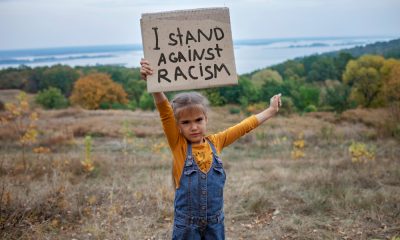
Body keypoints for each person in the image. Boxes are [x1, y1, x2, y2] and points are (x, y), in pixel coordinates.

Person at [140, 59, 281, 240]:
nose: (194, 127)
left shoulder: (217, 142)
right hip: (187, 226)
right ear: (178, 126)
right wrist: (154, 83)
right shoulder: (178, 145)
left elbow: (244, 126)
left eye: (198, 120)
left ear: (206, 119)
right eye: (186, 122)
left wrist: (270, 111)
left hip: (215, 223)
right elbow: (165, 112)